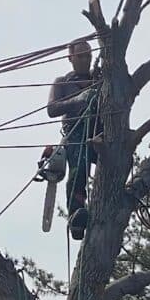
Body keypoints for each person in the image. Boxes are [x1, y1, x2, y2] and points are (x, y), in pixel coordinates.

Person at [47, 38, 100, 240]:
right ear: (70, 57)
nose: (85, 59)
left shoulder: (100, 79)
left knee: (123, 158)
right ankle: (76, 214)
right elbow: (52, 109)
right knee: (80, 164)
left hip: (99, 131)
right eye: (81, 56)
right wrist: (78, 99)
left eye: (88, 55)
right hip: (76, 133)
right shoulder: (62, 82)